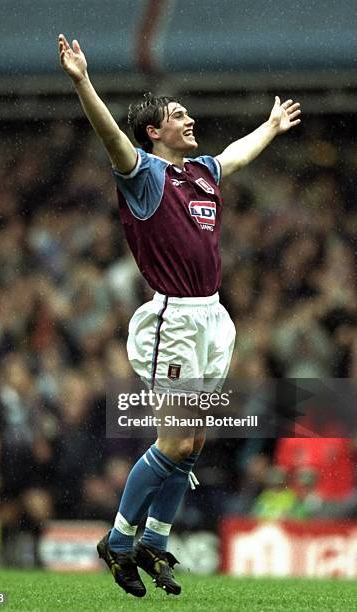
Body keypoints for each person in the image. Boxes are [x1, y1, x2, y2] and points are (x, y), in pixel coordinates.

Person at [58, 33, 301, 597]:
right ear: (153, 132)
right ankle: (119, 540)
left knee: (193, 443)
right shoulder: (143, 174)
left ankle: (155, 540)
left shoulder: (204, 173)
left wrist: (268, 127)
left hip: (214, 319)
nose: (188, 118)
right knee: (173, 439)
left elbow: (235, 153)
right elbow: (109, 134)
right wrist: (82, 82)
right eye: (176, 114)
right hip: (174, 319)